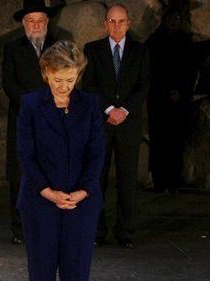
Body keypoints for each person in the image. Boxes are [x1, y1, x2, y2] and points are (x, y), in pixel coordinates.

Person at [18, 40, 105, 281]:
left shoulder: (90, 105)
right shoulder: (30, 104)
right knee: (41, 276)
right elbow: (26, 154)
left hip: (81, 204)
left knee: (77, 275)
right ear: (46, 73)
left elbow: (96, 153)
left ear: (78, 74)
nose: (64, 86)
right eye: (58, 79)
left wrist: (84, 191)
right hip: (40, 203)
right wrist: (47, 191)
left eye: (70, 79)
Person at [82, 4, 150, 248]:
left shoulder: (141, 52)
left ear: (128, 24)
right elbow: (87, 85)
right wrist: (110, 109)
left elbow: (143, 86)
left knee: (127, 179)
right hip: (102, 124)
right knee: (97, 179)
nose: (117, 26)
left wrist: (124, 111)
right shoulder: (93, 50)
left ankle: (125, 232)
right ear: (105, 24)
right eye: (112, 21)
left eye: (121, 21)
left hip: (129, 125)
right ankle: (96, 232)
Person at [2, 0, 59, 245]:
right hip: (23, 119)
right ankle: (20, 228)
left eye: (40, 21)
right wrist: (31, 106)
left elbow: (67, 79)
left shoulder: (59, 46)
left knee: (53, 172)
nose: (35, 25)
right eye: (30, 21)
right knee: (20, 174)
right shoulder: (12, 48)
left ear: (46, 22)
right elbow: (9, 83)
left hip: (54, 119)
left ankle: (49, 226)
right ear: (24, 23)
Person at [146, 1, 196, 194]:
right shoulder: (154, 41)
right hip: (159, 98)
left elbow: (190, 70)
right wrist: (167, 91)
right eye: (171, 18)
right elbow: (152, 70)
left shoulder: (185, 41)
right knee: (159, 141)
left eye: (177, 18)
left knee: (176, 141)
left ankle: (174, 181)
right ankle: (161, 181)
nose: (174, 21)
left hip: (179, 100)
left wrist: (181, 92)